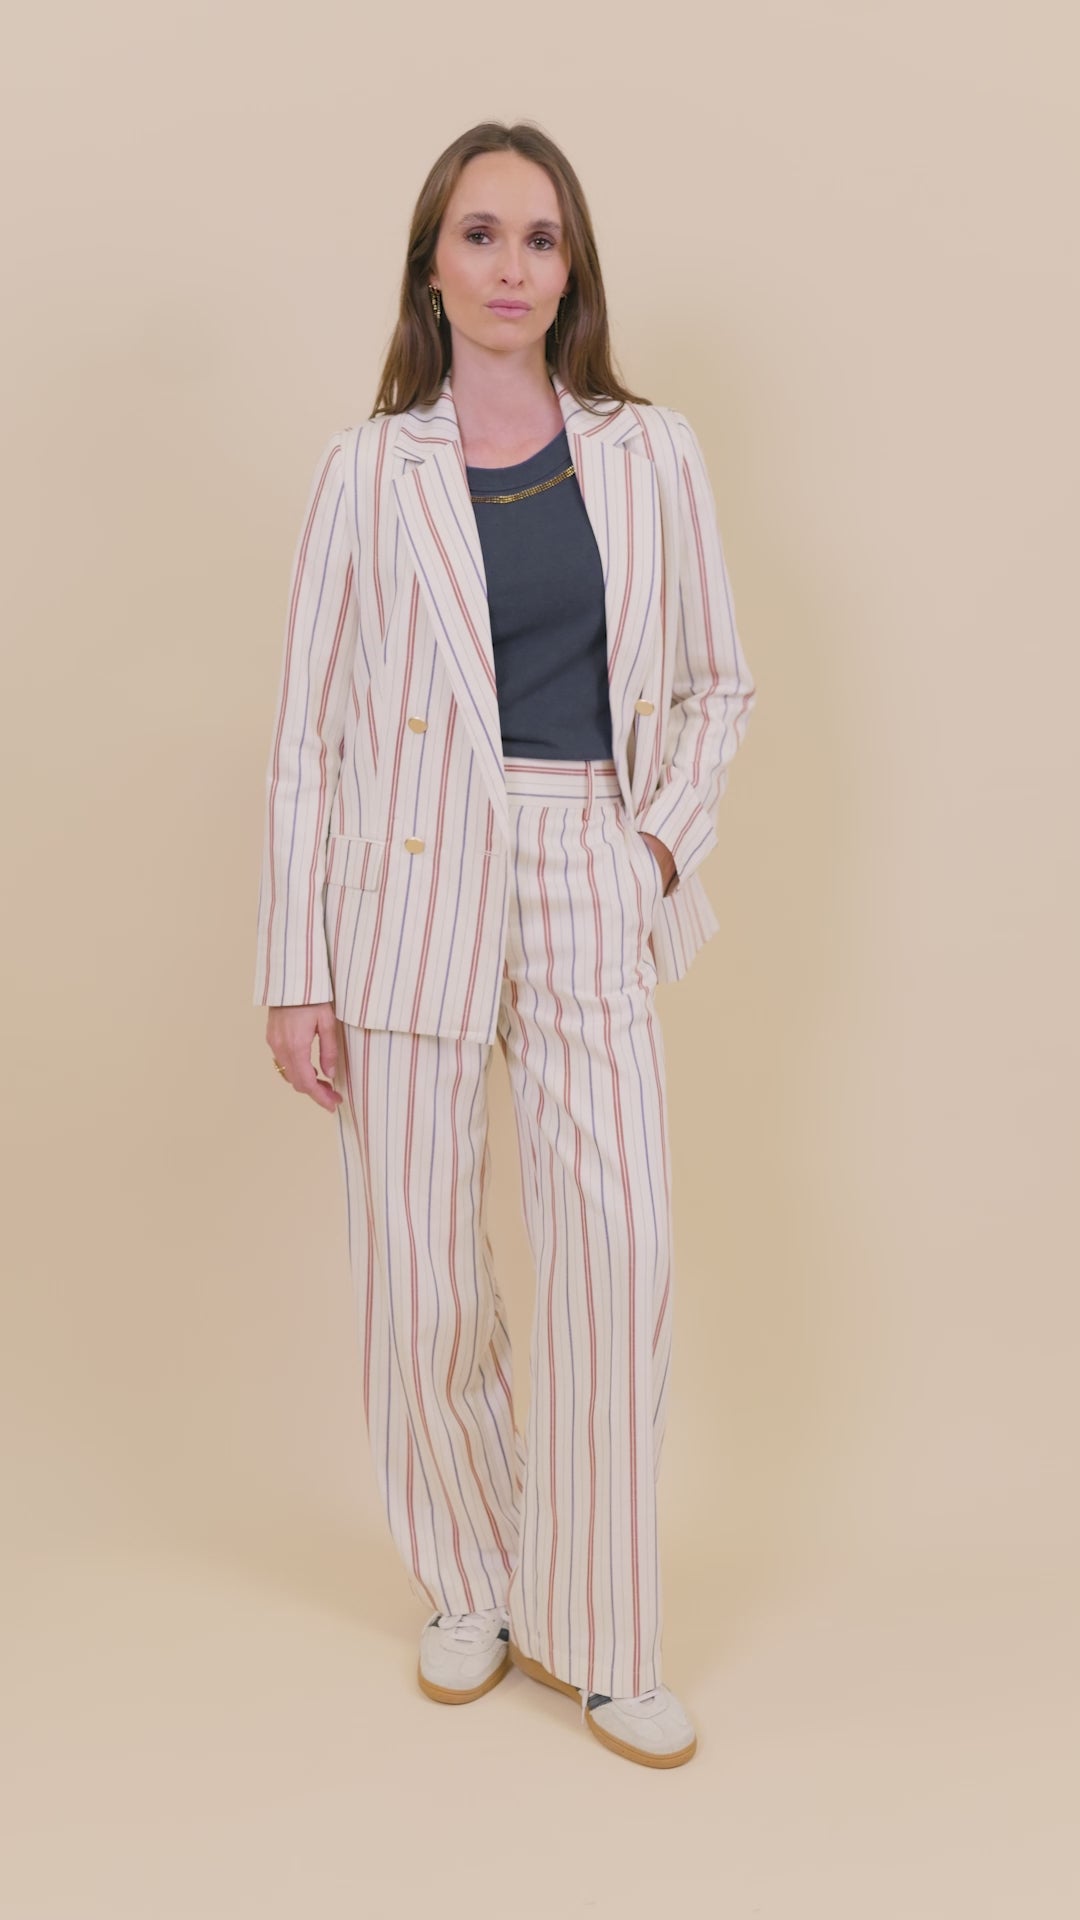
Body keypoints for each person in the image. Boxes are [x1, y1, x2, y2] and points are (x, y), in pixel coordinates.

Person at [253, 120, 756, 1769]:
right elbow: (309, 735)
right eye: (480, 235)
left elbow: (717, 685)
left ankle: (601, 1630)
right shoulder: (365, 471)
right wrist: (296, 966)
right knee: (420, 1265)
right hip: (405, 878)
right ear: (432, 266)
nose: (511, 266)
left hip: (585, 851)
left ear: (572, 269)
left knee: (617, 1245)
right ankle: (470, 1577)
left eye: (541, 239)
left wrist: (653, 845)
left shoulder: (650, 453)